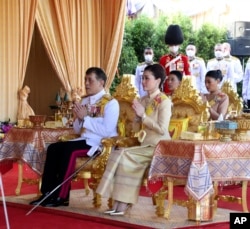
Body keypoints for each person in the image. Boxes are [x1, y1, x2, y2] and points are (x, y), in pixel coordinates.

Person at [29, 67, 120, 207]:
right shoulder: (84, 101)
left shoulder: (111, 103)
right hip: (83, 139)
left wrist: (86, 119)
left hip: (99, 143)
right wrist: (78, 118)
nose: (86, 83)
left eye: (90, 80)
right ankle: (47, 193)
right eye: (85, 80)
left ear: (101, 82)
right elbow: (78, 129)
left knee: (69, 150)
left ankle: (62, 196)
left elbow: (107, 131)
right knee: (53, 148)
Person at [96, 63, 172, 216]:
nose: (143, 81)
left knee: (126, 156)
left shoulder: (164, 101)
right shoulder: (143, 100)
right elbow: (139, 127)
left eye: (147, 78)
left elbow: (162, 129)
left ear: (157, 81)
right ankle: (117, 202)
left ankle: (123, 203)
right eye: (142, 78)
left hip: (158, 147)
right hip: (144, 145)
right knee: (117, 153)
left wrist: (143, 116)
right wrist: (137, 119)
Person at [159, 24, 190, 94]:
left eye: (175, 45)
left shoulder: (184, 59)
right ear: (168, 45)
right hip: (166, 90)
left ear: (179, 45)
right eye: (171, 45)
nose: (173, 47)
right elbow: (160, 77)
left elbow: (188, 77)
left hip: (180, 91)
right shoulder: (163, 59)